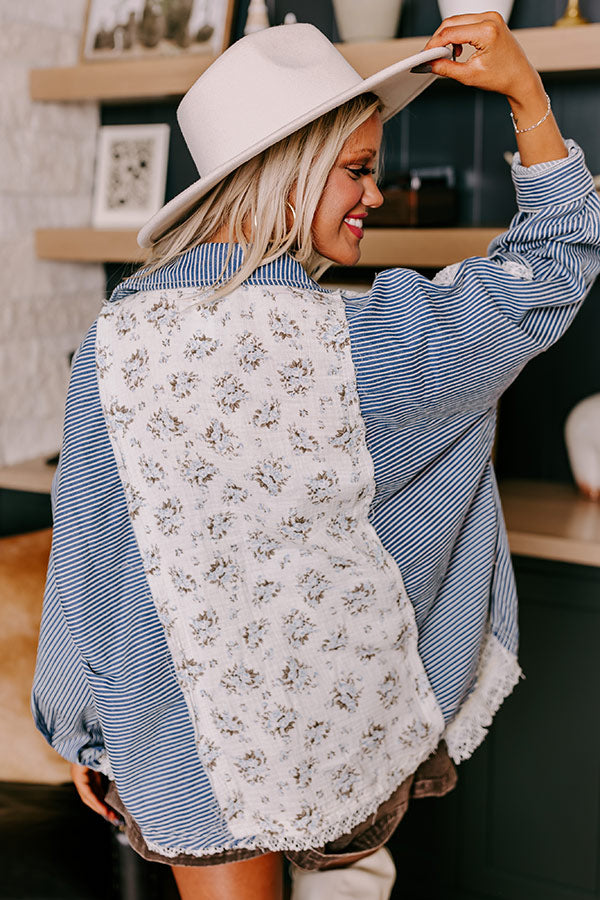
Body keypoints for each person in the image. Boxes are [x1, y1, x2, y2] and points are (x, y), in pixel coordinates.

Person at [32, 13, 600, 900]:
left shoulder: (114, 342)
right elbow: (554, 262)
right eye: (358, 169)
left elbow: (87, 556)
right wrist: (527, 94)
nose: (377, 194)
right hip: (326, 745)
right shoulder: (357, 344)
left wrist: (88, 730)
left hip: (180, 749)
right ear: (287, 169)